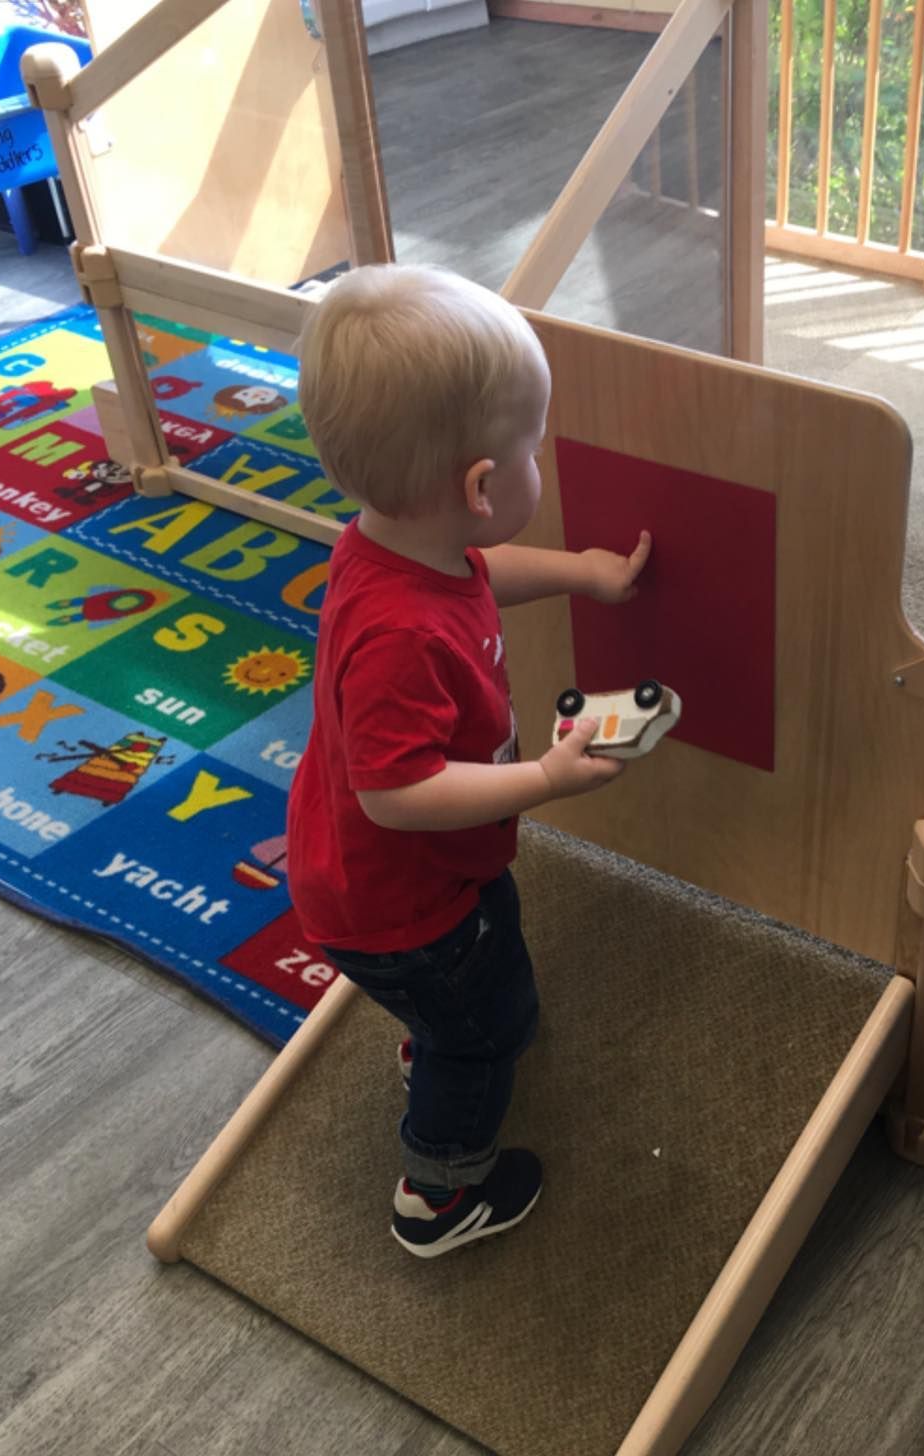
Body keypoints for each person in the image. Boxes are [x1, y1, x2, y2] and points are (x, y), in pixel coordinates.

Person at [286, 265, 651, 1257]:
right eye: (532, 449)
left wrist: (579, 573)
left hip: (412, 882)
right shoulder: (399, 635)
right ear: (482, 487)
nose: (541, 463)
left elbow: (487, 572)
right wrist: (543, 778)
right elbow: (398, 793)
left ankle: (433, 1028)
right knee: (488, 1027)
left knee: (478, 975)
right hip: (397, 903)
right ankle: (441, 1190)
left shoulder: (404, 546)